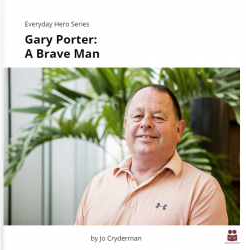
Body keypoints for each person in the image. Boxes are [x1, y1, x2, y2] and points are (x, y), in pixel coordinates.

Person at [75, 84, 228, 225]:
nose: (145, 123)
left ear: (178, 130)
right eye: (137, 116)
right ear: (126, 126)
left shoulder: (203, 190)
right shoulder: (98, 184)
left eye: (158, 117)